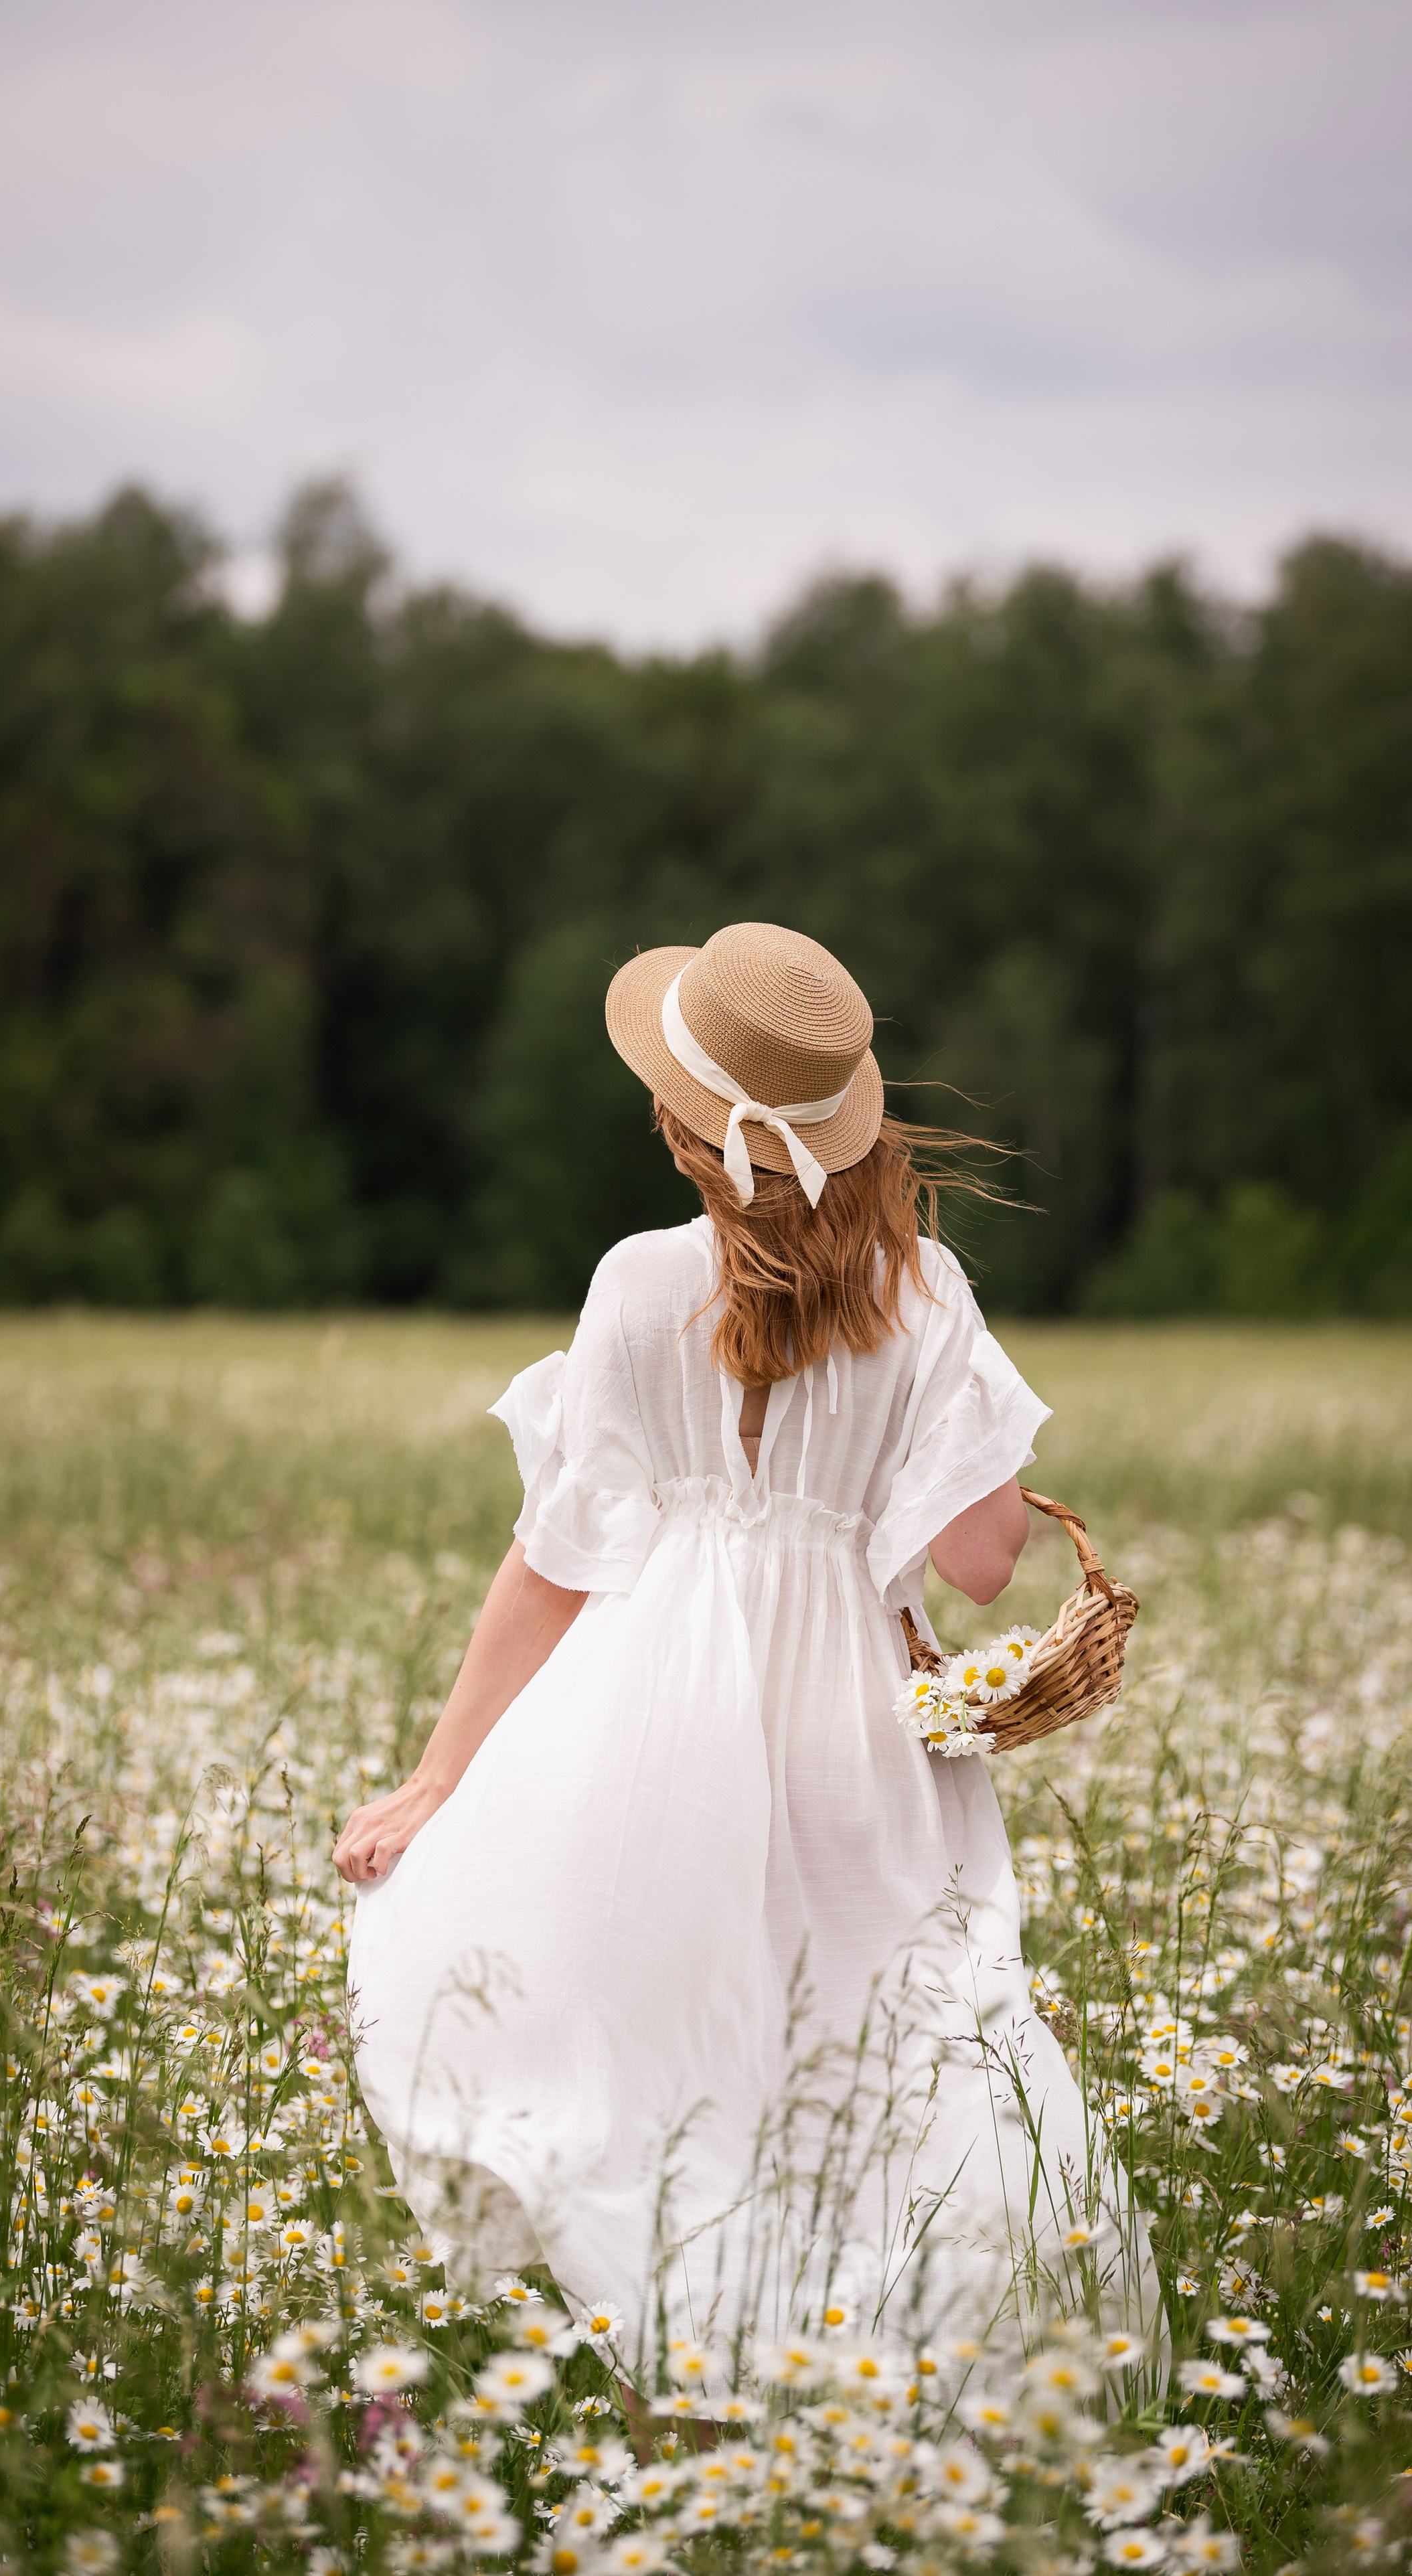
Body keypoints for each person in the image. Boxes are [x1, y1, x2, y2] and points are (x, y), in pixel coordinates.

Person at [339, 922, 1157, 2376]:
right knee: (890, 2046)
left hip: (648, 1715)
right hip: (848, 1724)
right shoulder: (922, 1290)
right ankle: (915, 2372)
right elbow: (975, 1569)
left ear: (679, 1121)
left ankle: (706, 2378)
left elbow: (551, 1561)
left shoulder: (638, 1285)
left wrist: (436, 1779)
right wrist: (971, 1448)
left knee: (670, 2051)